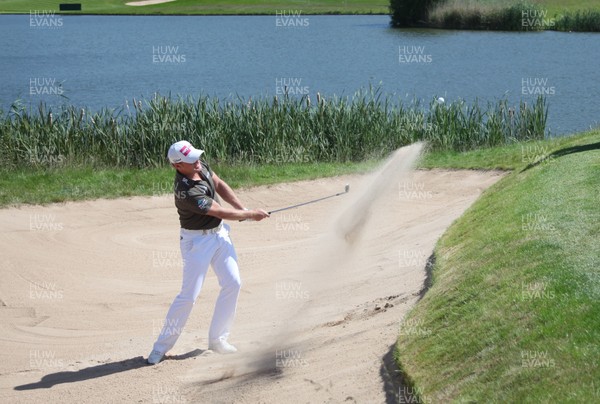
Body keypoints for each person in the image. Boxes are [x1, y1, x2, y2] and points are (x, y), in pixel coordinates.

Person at [147, 140, 269, 365]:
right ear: (177, 166)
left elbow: (219, 184)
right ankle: (160, 347)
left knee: (233, 283)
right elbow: (218, 210)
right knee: (189, 296)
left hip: (220, 235)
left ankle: (218, 340)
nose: (197, 162)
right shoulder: (187, 191)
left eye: (196, 156)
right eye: (191, 159)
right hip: (197, 243)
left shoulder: (198, 166)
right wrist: (250, 215)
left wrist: (242, 209)